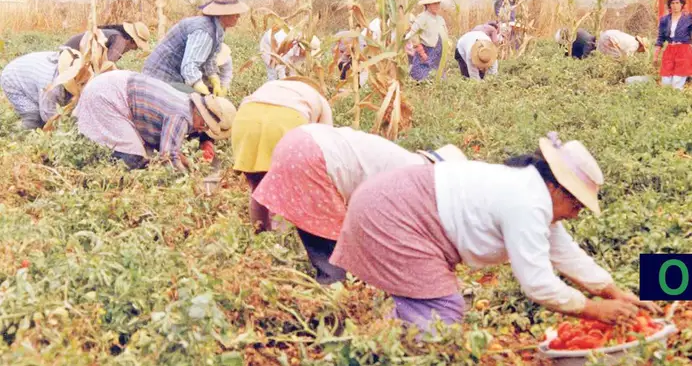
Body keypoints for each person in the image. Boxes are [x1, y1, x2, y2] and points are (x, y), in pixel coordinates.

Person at [330, 133, 660, 335]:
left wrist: (615, 293)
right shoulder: (527, 202)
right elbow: (538, 284)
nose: (576, 215)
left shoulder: (533, 194)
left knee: (422, 304)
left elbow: (565, 253)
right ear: (554, 189)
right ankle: (407, 352)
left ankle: (382, 342)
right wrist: (593, 309)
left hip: (392, 203)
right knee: (441, 311)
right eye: (577, 205)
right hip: (394, 215)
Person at [250, 123, 467, 284]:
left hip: (298, 139)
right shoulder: (411, 179)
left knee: (329, 242)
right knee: (335, 265)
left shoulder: (404, 161)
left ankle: (261, 258)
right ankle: (327, 314)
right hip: (314, 158)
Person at [73, 70, 236, 171]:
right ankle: (95, 172)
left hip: (115, 83)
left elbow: (169, 147)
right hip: (110, 95)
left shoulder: (185, 100)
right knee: (133, 159)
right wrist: (188, 178)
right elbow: (167, 158)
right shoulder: (182, 117)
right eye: (205, 124)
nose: (201, 130)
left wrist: (186, 162)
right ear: (200, 113)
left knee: (143, 154)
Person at [231, 77, 334, 214]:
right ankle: (282, 234)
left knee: (257, 187)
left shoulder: (271, 86)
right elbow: (326, 142)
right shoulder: (319, 99)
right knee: (286, 189)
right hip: (285, 120)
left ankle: (259, 232)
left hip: (245, 119)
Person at [143, 0, 249, 96]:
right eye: (235, 13)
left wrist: (214, 79)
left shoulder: (215, 29)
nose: (238, 16)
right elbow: (189, 66)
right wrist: (201, 88)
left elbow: (209, 58)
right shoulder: (204, 31)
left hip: (172, 76)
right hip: (160, 77)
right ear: (224, 15)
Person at [0, 48, 84, 130]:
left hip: (31, 75)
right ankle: (20, 136)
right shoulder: (51, 84)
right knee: (33, 115)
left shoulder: (72, 64)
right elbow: (48, 116)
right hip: (12, 78)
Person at [653, 0, 692, 90]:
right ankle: (666, 102)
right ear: (669, 5)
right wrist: (655, 56)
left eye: (677, 3)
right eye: (672, 3)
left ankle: (676, 102)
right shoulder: (664, 20)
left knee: (677, 81)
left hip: (684, 51)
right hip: (670, 51)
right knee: (666, 81)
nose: (675, 6)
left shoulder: (688, 17)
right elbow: (660, 38)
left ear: (682, 4)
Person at [406, 0, 448, 81]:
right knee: (423, 78)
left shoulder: (440, 19)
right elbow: (413, 34)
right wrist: (421, 52)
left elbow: (445, 34)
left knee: (438, 77)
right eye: (434, 4)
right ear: (428, 5)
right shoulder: (422, 18)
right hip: (426, 51)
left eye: (438, 3)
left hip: (438, 52)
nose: (437, 6)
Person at [62, 23, 151, 63]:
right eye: (136, 46)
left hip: (69, 53)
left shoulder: (114, 34)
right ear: (132, 40)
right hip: (69, 57)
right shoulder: (119, 41)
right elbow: (107, 66)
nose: (134, 49)